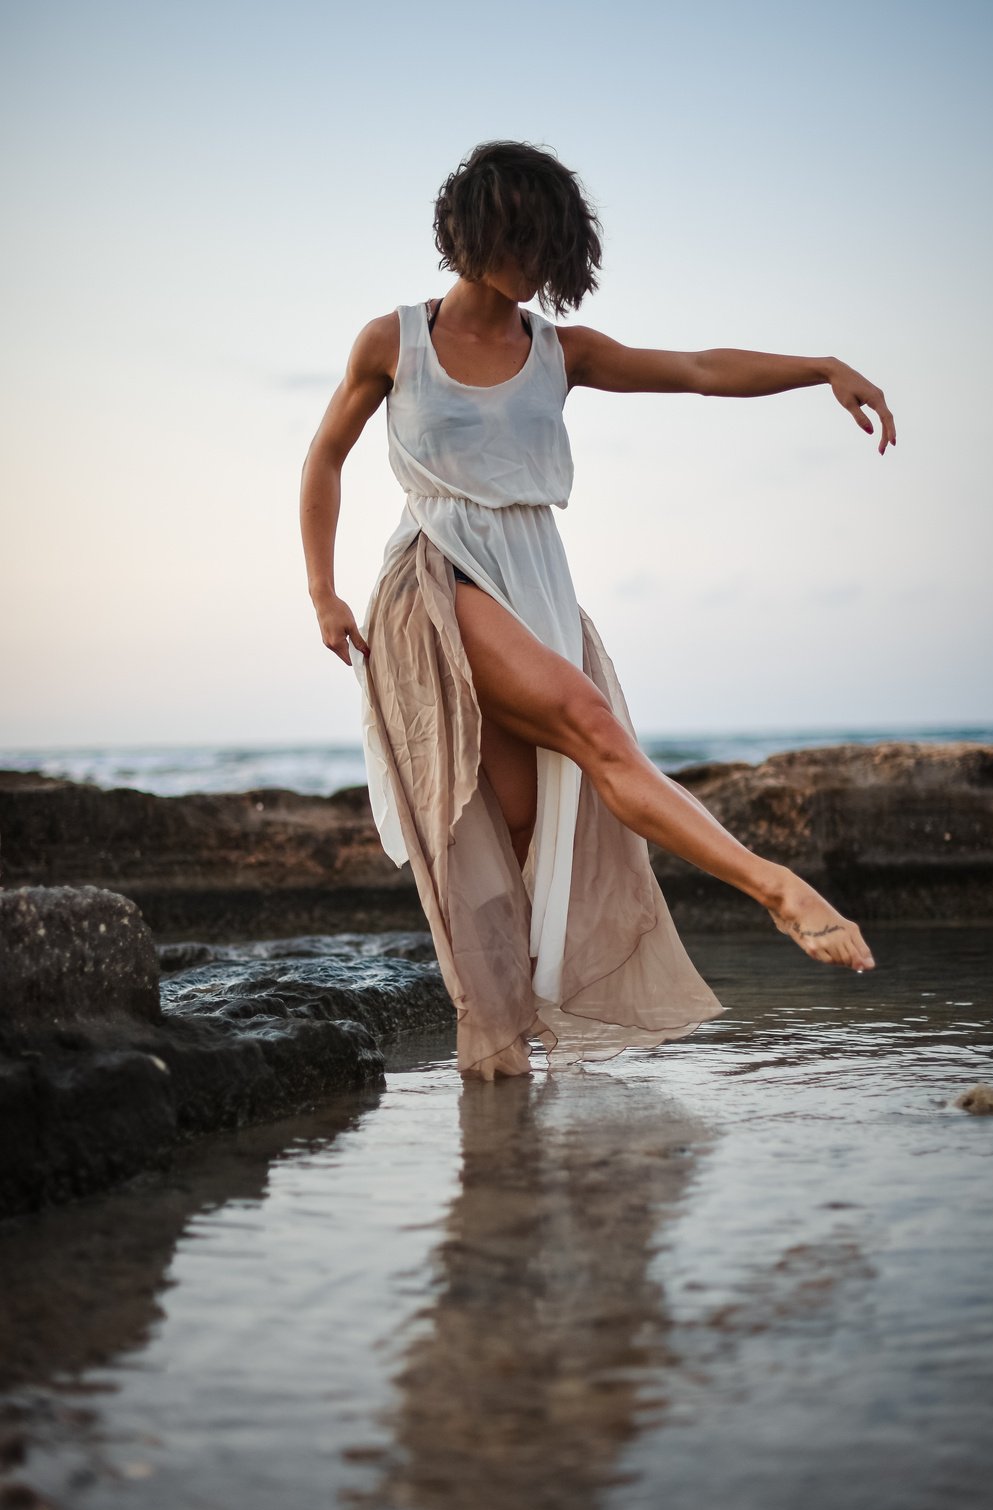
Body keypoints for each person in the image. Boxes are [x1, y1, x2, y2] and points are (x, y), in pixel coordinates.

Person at [300, 140, 896, 1083]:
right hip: (438, 576)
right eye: (524, 237)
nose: (537, 260)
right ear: (477, 229)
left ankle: (503, 1079)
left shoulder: (557, 352)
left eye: (551, 244)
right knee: (593, 729)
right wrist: (322, 590)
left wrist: (819, 367)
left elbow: (697, 367)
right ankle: (779, 891)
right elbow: (324, 457)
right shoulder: (393, 341)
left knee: (525, 824)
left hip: (537, 581)